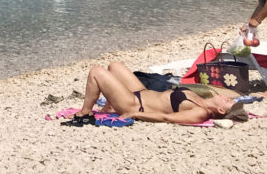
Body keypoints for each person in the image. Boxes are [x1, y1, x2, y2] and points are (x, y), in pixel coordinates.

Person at [62, 61, 245, 126]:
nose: (226, 98)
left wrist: (135, 113)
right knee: (115, 65)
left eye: (228, 101)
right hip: (142, 92)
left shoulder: (200, 112)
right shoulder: (203, 100)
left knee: (96, 72)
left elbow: (167, 118)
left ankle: (85, 111)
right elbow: (228, 92)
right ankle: (110, 105)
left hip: (135, 104)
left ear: (221, 111)